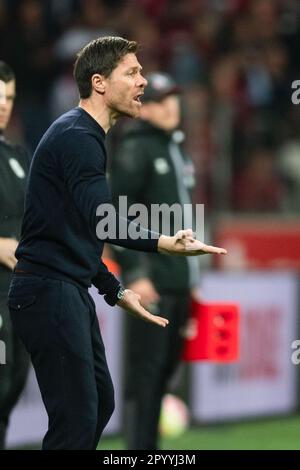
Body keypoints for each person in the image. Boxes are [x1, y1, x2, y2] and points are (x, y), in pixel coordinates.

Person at [7, 36, 226, 450]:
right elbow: (105, 223)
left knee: (99, 404)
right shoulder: (78, 136)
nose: (142, 81)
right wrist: (164, 243)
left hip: (64, 289)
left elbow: (72, 233)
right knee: (77, 419)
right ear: (99, 82)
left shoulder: (84, 136)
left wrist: (115, 290)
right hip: (48, 292)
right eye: (132, 72)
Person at [109, 72, 201, 450]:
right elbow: (114, 215)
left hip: (178, 283)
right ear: (143, 108)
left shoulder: (175, 147)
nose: (169, 107)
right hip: (154, 285)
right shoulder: (136, 149)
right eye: (160, 100)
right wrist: (137, 273)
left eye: (173, 99)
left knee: (163, 377)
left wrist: (191, 275)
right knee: (146, 380)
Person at [0, 61, 30, 449]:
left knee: (11, 387)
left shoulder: (18, 156)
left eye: (8, 97)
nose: (3, 105)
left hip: (19, 295)